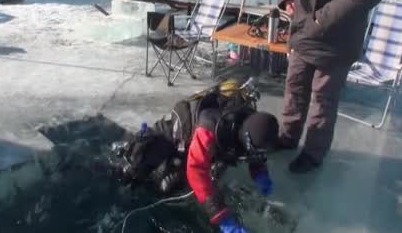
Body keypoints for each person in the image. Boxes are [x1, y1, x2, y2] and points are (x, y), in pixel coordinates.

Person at [276, 0, 386, 173]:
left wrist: (320, 18)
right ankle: (287, 137)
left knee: (323, 99)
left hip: (337, 38)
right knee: (295, 87)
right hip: (302, 30)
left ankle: (313, 154)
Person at [114, 79, 279, 233]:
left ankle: (174, 169)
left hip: (202, 147)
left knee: (179, 182)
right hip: (176, 134)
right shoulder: (209, 128)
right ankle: (121, 167)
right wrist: (222, 217)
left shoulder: (251, 121)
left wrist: (260, 173)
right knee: (138, 168)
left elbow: (254, 149)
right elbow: (196, 171)